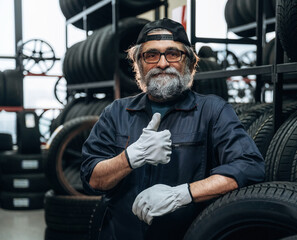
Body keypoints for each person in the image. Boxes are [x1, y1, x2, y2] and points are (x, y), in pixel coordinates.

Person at [81, 18, 265, 240]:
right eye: (151, 55)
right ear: (139, 64)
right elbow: (92, 178)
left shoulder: (213, 110)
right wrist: (128, 158)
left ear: (189, 62)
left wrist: (183, 194)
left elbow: (249, 167)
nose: (162, 63)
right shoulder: (116, 112)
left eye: (173, 53)